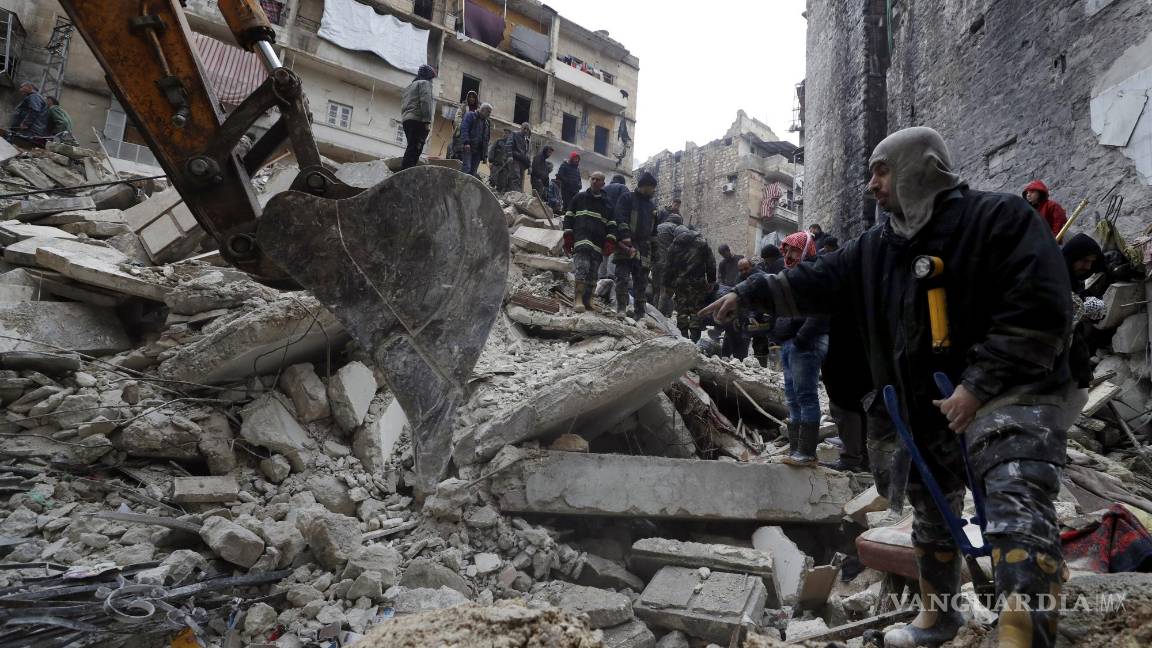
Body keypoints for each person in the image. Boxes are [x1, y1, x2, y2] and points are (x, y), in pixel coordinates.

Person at [702, 126, 1079, 648]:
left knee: (1016, 503)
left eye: (882, 170)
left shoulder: (1000, 220)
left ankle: (1024, 634)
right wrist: (748, 293)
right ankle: (938, 617)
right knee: (931, 510)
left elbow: (1038, 310)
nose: (871, 184)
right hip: (927, 405)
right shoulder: (876, 248)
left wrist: (977, 386)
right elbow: (818, 279)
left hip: (1011, 395)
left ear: (923, 167)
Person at [771, 232, 828, 466]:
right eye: (786, 251)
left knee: (805, 396)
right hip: (790, 342)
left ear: (805, 250)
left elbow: (821, 310)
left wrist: (802, 338)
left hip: (805, 342)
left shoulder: (815, 274)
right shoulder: (790, 275)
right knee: (793, 399)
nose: (788, 255)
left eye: (794, 250)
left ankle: (807, 453)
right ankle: (796, 450)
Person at [563, 171, 616, 313]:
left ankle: (588, 300)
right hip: (581, 240)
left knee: (593, 273)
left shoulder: (607, 204)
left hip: (597, 244)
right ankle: (578, 299)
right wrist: (568, 236)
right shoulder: (579, 197)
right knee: (582, 268)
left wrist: (610, 241)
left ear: (603, 183)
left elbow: (612, 224)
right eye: (592, 179)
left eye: (598, 180)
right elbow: (569, 216)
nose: (594, 181)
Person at [612, 171, 660, 319]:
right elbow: (620, 217)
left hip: (644, 248)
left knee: (641, 281)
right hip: (626, 244)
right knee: (622, 278)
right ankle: (621, 308)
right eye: (652, 188)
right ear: (645, 186)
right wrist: (625, 236)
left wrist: (655, 250)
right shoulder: (627, 198)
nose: (654, 191)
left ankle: (640, 313)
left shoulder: (652, 207)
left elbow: (654, 231)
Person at [1062, 234, 1107, 389]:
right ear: (1073, 256)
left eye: (1091, 262)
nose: (1088, 267)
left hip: (1072, 350)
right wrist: (1080, 308)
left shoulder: (1075, 280)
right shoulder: (1052, 276)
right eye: (1084, 260)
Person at [664, 223, 716, 339]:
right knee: (696, 310)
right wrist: (711, 280)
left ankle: (683, 337)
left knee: (681, 310)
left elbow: (668, 268)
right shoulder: (701, 243)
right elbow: (711, 263)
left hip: (680, 283)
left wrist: (668, 284)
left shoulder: (673, 246)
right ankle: (695, 338)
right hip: (698, 283)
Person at [400, 65, 436, 170]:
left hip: (407, 120)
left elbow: (403, 104)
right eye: (431, 77)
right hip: (418, 120)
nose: (432, 80)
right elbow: (425, 102)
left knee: (411, 146)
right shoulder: (425, 84)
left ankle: (406, 170)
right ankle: (407, 171)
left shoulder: (410, 86)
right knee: (416, 148)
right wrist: (427, 121)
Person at [652, 210, 685, 315]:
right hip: (667, 263)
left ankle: (653, 314)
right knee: (666, 290)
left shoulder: (658, 227)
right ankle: (660, 315)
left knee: (656, 290)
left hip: (655, 262)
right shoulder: (676, 228)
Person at [7, 81, 49, 146]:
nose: (20, 90)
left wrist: (26, 123)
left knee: (19, 145)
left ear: (29, 87)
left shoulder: (34, 96)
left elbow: (35, 110)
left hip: (30, 130)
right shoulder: (33, 96)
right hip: (28, 129)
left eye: (22, 87)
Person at [459, 103, 492, 177]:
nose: (489, 114)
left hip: (478, 152)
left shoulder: (487, 123)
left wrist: (485, 155)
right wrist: (466, 142)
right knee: (467, 168)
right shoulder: (470, 115)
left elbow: (486, 140)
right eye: (488, 112)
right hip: (469, 147)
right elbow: (464, 128)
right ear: (482, 110)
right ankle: (460, 183)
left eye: (490, 112)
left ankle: (467, 184)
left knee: (473, 172)